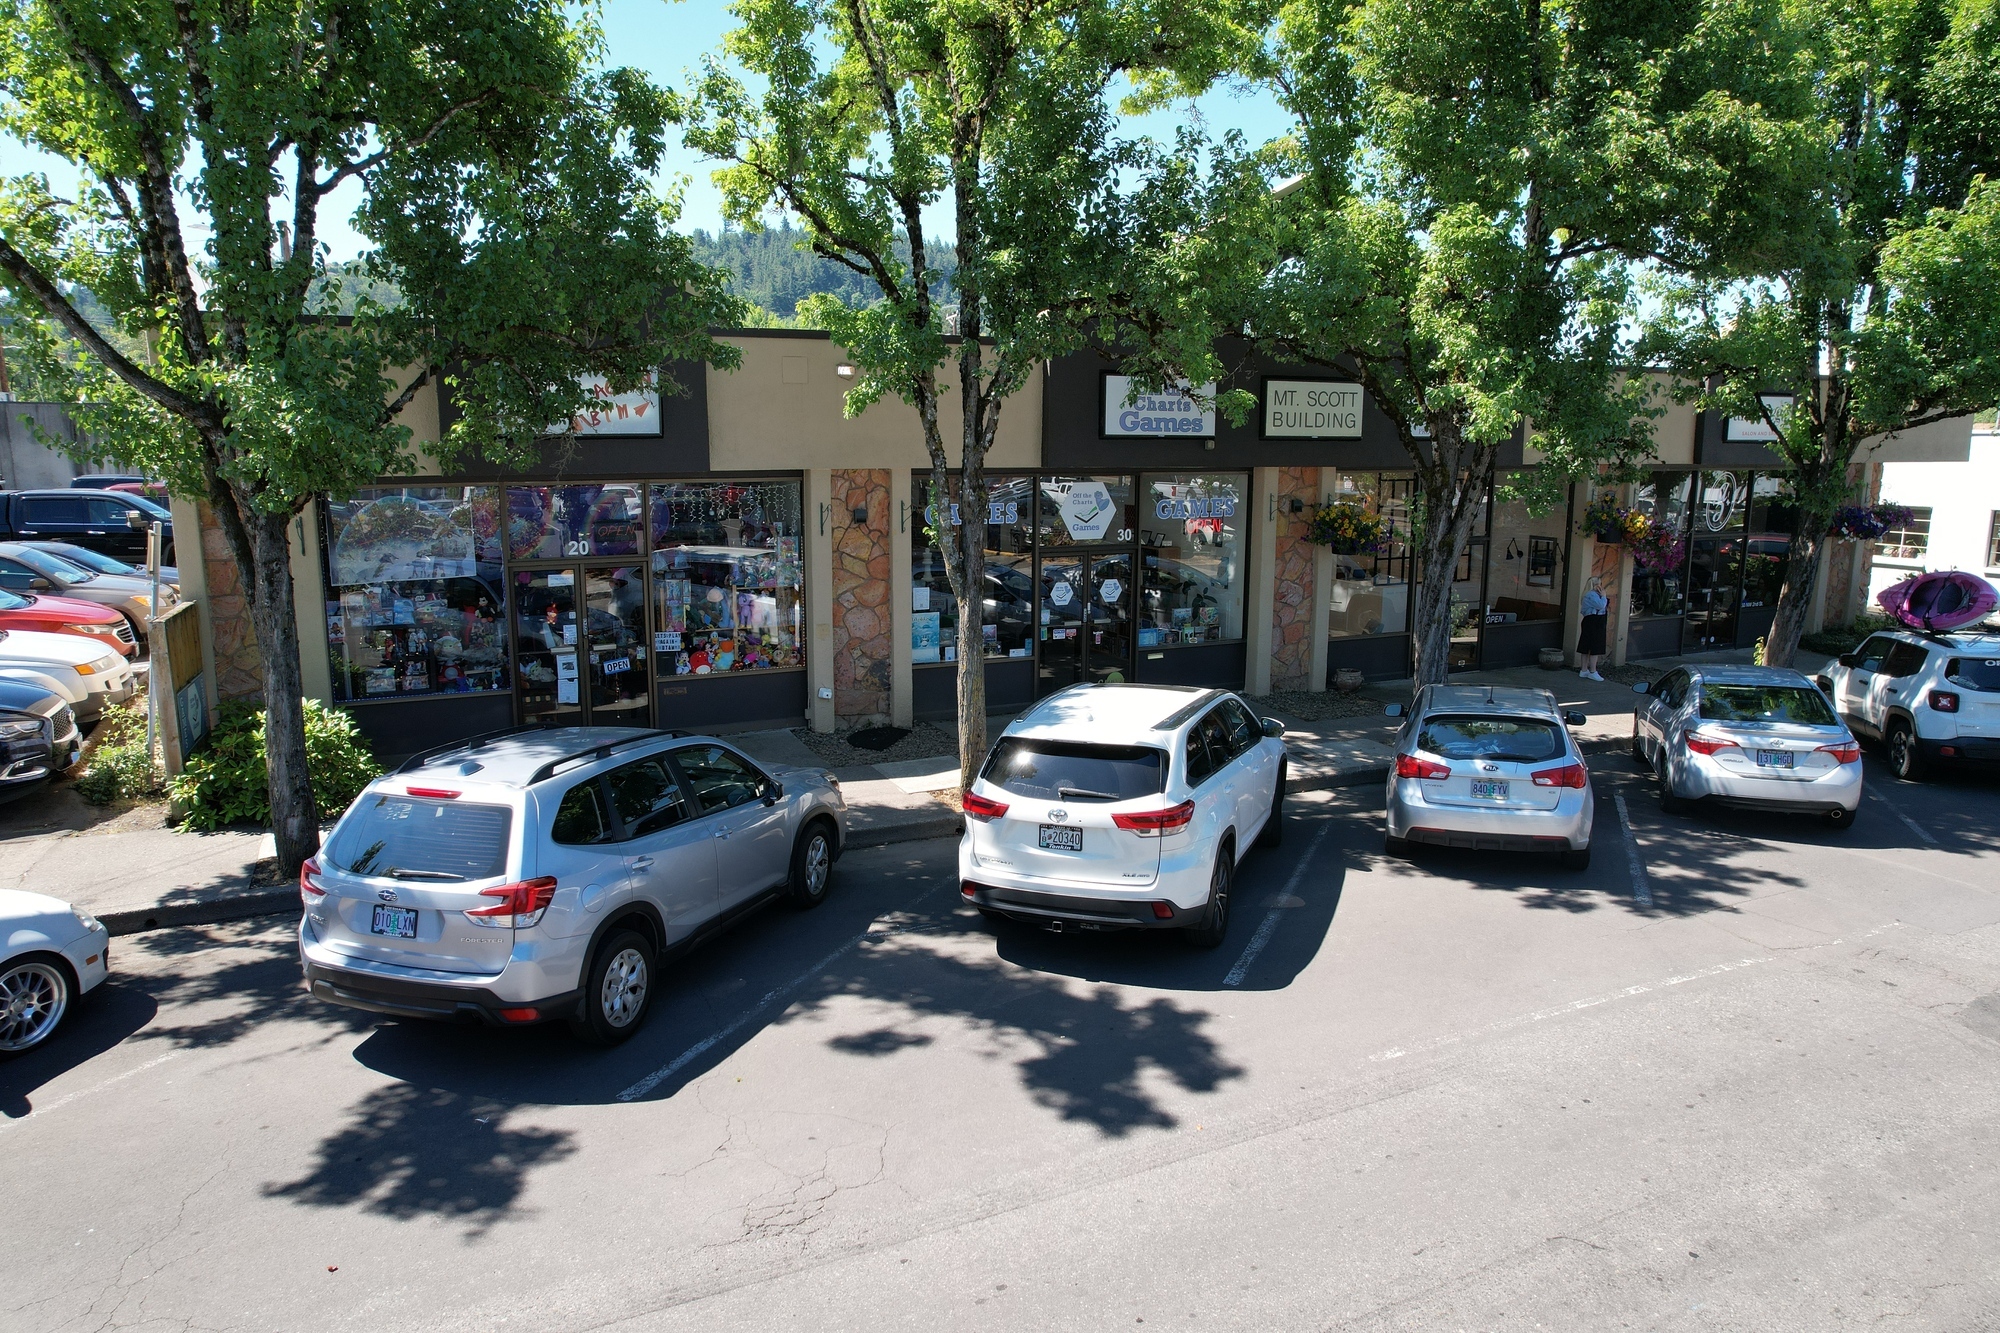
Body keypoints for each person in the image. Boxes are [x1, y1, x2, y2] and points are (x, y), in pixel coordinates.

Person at [1577, 576, 1609, 680]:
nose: (1600, 586)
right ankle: (1593, 671)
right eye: (1599, 584)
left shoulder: (1588, 594)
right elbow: (1601, 605)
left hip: (1590, 620)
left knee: (1586, 645)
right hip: (1594, 621)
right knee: (1595, 645)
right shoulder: (1591, 595)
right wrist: (1604, 596)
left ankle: (1584, 669)